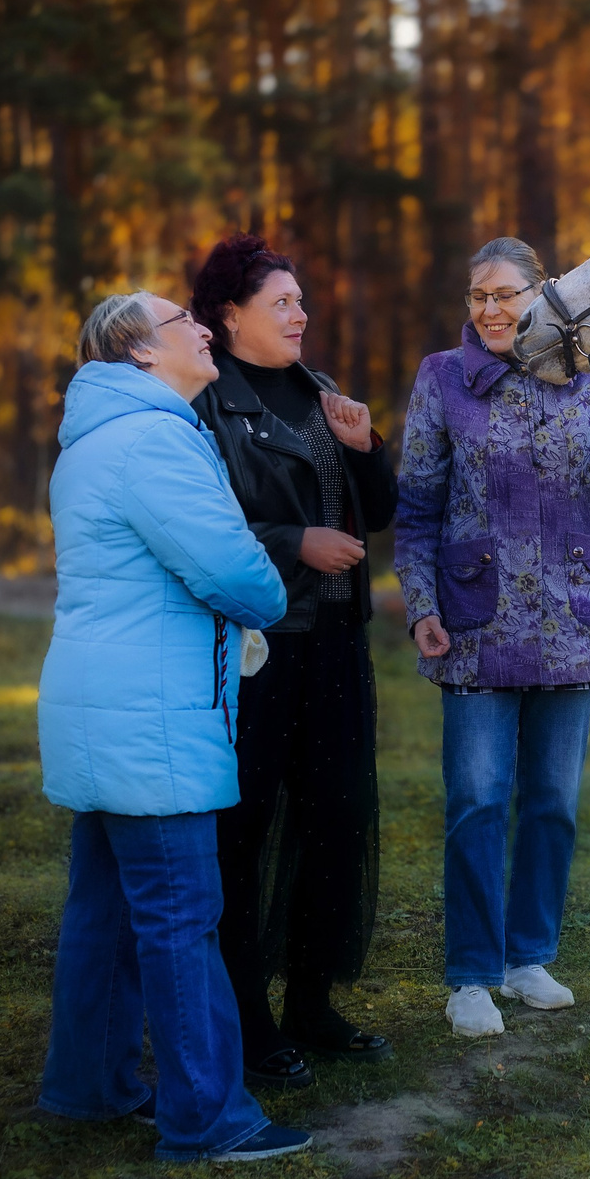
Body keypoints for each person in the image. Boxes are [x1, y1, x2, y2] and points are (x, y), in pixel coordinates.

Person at [34, 290, 313, 1164]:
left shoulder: (90, 443)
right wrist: (270, 594)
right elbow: (232, 568)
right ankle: (206, 1117)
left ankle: (90, 1085)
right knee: (181, 916)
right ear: (139, 353)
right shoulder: (155, 440)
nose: (202, 328)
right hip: (148, 716)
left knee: (106, 912)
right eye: (181, 321)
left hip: (97, 708)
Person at [393, 237, 590, 1038]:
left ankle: (528, 959)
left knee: (553, 803)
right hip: (473, 624)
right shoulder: (441, 379)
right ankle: (470, 975)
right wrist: (420, 601)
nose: (490, 310)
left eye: (505, 294)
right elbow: (416, 509)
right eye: (477, 295)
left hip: (573, 620)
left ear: (541, 294)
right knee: (477, 801)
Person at [189, 235, 399, 1090]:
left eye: (301, 300)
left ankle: (312, 1000)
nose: (300, 313)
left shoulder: (320, 394)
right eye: (281, 302)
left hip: (339, 642)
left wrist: (364, 451)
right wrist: (293, 543)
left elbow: (377, 513)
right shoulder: (205, 406)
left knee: (337, 818)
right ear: (229, 315)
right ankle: (249, 1017)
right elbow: (199, 526)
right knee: (243, 831)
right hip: (259, 648)